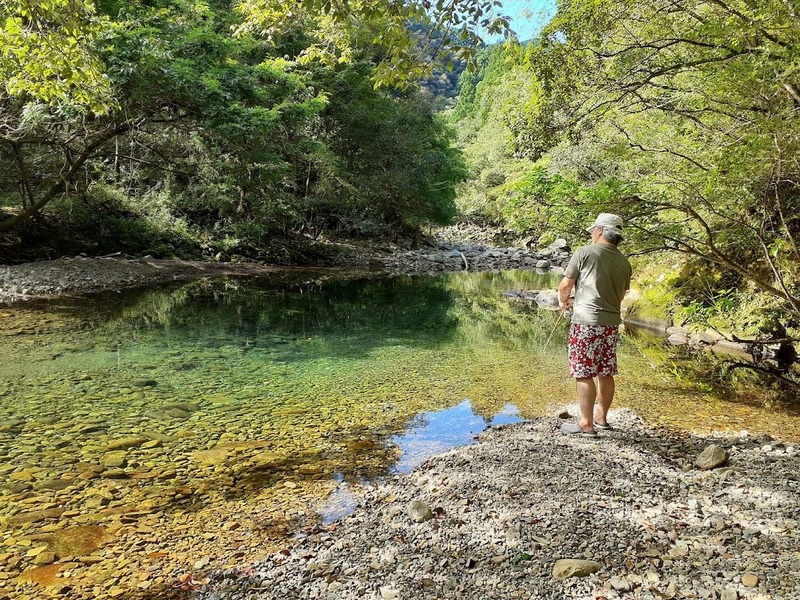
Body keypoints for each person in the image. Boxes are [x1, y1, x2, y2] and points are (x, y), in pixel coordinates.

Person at [557, 213, 632, 437]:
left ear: (600, 230)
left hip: (586, 322)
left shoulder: (584, 252)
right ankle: (601, 418)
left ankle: (586, 424)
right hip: (610, 325)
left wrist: (564, 301)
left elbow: (565, 285)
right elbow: (621, 292)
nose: (591, 233)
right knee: (605, 371)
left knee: (583, 372)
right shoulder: (625, 262)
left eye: (593, 230)